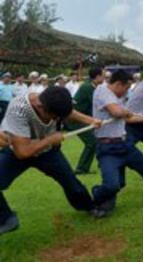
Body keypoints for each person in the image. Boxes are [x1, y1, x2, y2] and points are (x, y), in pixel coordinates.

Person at [0, 87, 105, 236]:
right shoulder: (19, 110)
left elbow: (68, 112)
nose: (56, 120)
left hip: (48, 153)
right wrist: (50, 139)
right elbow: (23, 152)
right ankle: (6, 219)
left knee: (72, 183)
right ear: (40, 107)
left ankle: (89, 206)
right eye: (55, 117)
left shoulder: (52, 100)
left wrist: (91, 120)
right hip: (17, 151)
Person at [92, 70, 143, 215]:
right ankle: (98, 194)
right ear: (119, 84)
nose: (126, 92)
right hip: (108, 148)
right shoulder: (102, 91)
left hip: (124, 143)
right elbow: (117, 112)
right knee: (114, 185)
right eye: (126, 88)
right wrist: (125, 111)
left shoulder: (118, 97)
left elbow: (127, 117)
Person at [69, 68, 104, 175]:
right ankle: (81, 168)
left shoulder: (92, 86)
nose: (104, 78)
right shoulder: (88, 87)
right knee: (91, 142)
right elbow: (98, 104)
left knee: (97, 140)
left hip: (83, 119)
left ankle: (101, 163)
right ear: (97, 77)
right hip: (75, 120)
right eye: (103, 76)